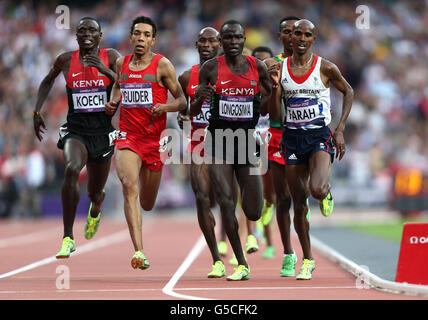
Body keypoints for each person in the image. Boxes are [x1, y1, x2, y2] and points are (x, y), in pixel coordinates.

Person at [269, 19, 353, 280]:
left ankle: (325, 193)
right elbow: (274, 114)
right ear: (290, 38)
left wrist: (339, 130)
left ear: (313, 39)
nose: (302, 38)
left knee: (316, 190)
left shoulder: (325, 67)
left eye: (307, 34)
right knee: (298, 204)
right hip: (292, 139)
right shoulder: (280, 69)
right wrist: (274, 89)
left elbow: (348, 91)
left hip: (318, 136)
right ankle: (307, 259)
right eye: (297, 34)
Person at [33, 17, 121, 258]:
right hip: (76, 131)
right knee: (71, 169)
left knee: (95, 192)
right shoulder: (65, 60)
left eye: (92, 30)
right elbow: (47, 81)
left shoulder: (112, 56)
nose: (86, 34)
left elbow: (127, 83)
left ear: (100, 36)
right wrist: (36, 111)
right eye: (81, 30)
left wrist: (105, 71)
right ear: (76, 36)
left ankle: (96, 208)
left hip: (102, 134)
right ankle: (68, 237)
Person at [191, 20, 272, 281]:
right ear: (222, 41)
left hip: (247, 141)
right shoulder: (210, 68)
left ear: (244, 38)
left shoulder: (256, 67)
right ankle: (241, 263)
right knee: (226, 201)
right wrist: (199, 97)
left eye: (238, 38)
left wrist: (270, 94)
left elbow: (267, 105)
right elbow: (192, 113)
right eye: (228, 38)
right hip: (218, 142)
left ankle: (250, 230)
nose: (233, 42)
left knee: (253, 211)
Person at [105, 16, 186, 270]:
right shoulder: (122, 63)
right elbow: (119, 87)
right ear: (130, 37)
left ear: (153, 40)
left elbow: (182, 101)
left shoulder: (163, 66)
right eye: (136, 33)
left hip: (156, 140)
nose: (140, 38)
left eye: (146, 34)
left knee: (147, 202)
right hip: (128, 136)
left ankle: (144, 211)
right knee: (129, 185)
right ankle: (139, 251)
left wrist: (165, 107)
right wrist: (113, 101)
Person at [176, 27, 226, 278]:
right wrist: (183, 115)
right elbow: (180, 112)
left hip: (229, 142)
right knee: (201, 197)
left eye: (212, 41)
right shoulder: (187, 77)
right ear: (196, 44)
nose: (207, 45)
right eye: (203, 41)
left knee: (224, 200)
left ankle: (232, 234)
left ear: (220, 44)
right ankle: (217, 258)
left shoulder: (231, 72)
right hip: (199, 141)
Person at [264, 16, 306, 276]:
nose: (293, 37)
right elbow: (264, 108)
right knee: (282, 199)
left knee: (302, 194)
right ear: (280, 36)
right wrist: (273, 88)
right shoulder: (271, 65)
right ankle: (289, 254)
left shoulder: (313, 65)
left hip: (305, 135)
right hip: (278, 134)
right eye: (288, 32)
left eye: (297, 32)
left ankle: (319, 193)